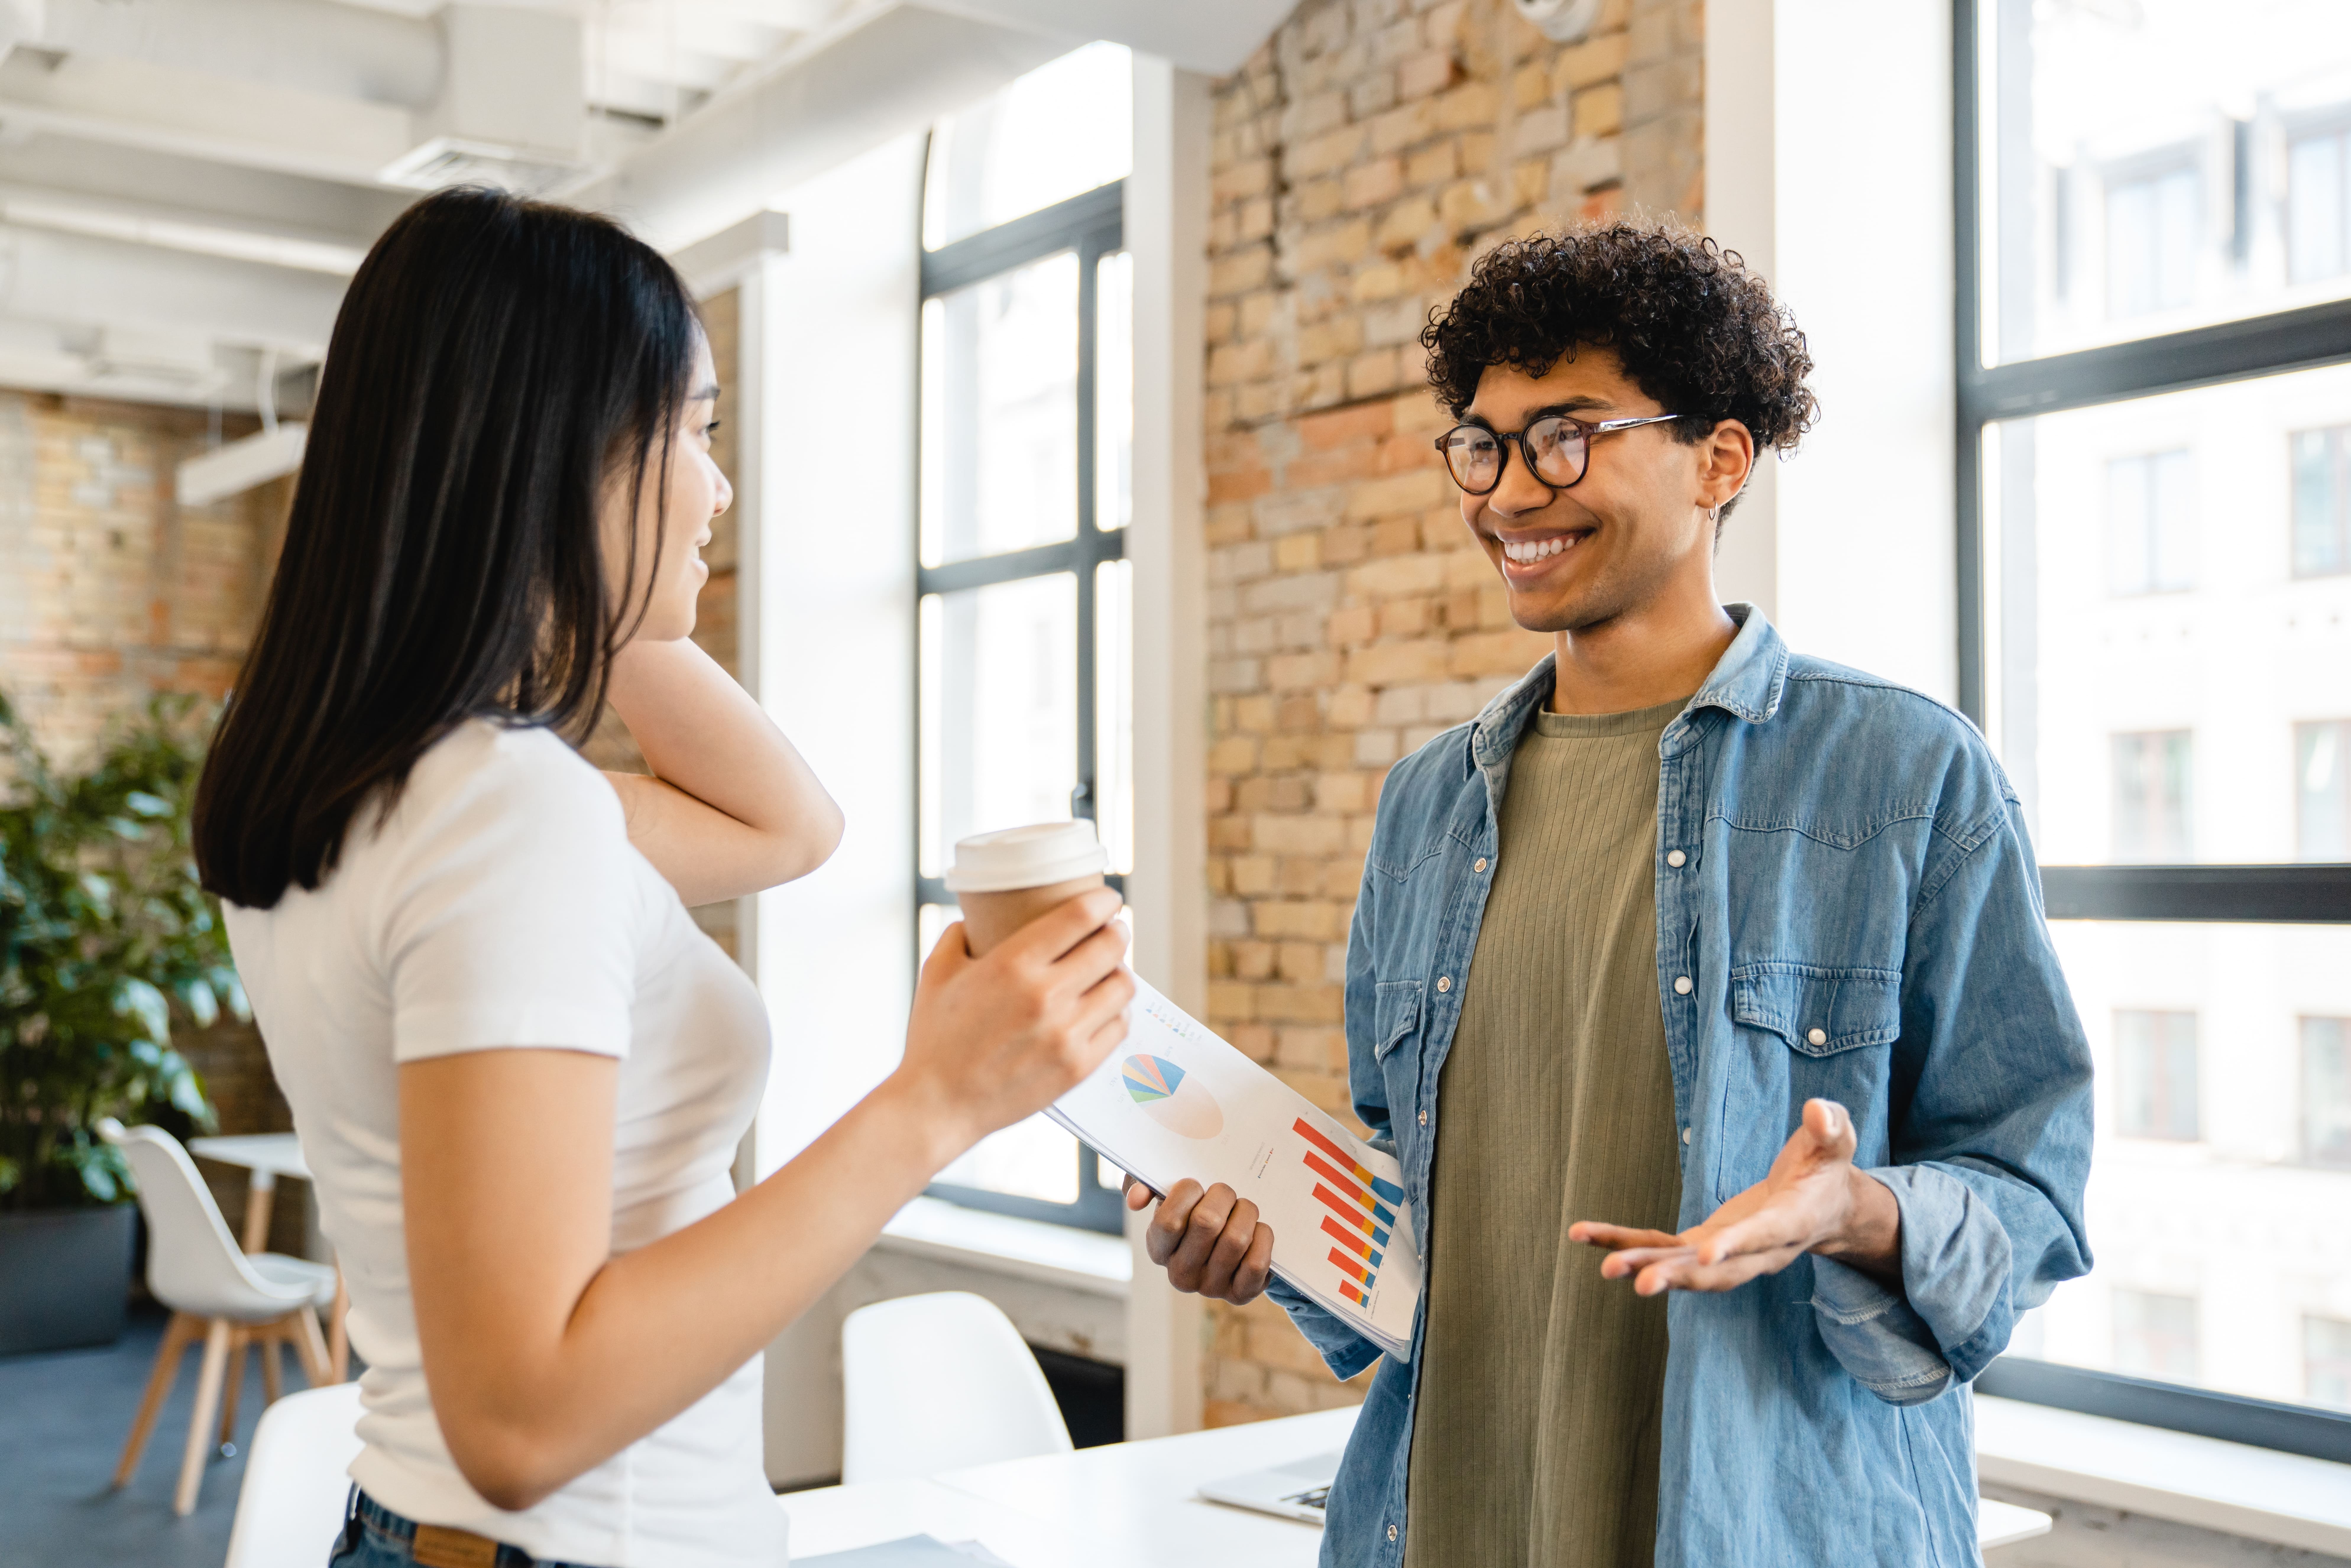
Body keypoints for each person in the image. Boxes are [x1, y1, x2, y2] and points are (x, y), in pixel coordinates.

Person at [193, 187, 1134, 1568]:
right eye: (694, 432)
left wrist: (569, 575)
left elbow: (786, 828)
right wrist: (938, 1103)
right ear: (564, 451)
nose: (720, 486)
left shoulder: (368, 781)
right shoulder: (504, 814)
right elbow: (523, 1420)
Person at [1128, 223, 2094, 1568]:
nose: (1511, 492)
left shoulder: (1903, 775)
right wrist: (1262, 1235)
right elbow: (1415, 1212)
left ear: (1717, 457)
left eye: (1564, 434)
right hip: (1438, 1523)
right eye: (1482, 442)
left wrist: (1853, 1211)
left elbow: (2033, 1199)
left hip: (1769, 1528)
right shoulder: (1426, 806)